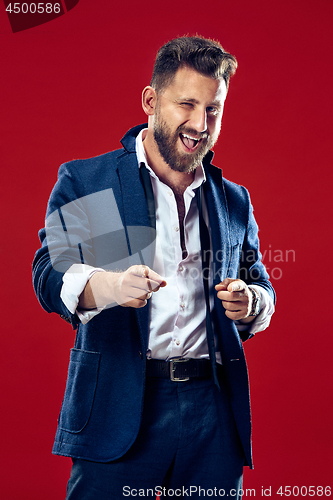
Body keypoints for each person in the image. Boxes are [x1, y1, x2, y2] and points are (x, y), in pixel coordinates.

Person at [33, 36, 275, 499]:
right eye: (186, 104)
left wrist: (252, 302)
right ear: (150, 100)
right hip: (121, 405)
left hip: (213, 416)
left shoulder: (231, 200)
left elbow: (260, 279)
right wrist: (109, 286)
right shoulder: (98, 181)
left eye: (213, 109)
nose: (200, 124)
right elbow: (50, 271)